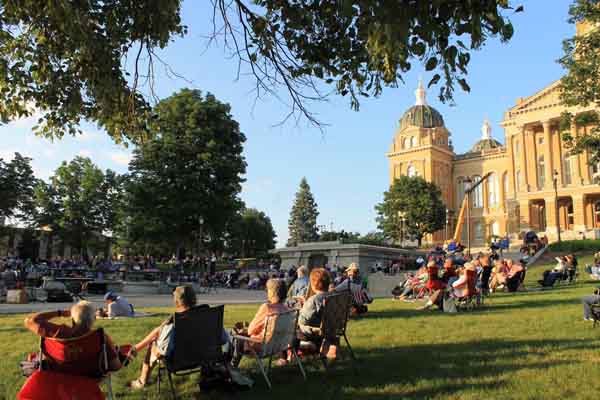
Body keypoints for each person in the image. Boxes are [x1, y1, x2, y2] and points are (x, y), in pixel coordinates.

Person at [127, 285, 200, 389]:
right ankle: (135, 349)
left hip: (180, 360)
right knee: (160, 330)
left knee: (154, 343)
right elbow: (223, 339)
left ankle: (142, 381)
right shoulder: (207, 315)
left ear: (177, 301)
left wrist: (155, 346)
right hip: (204, 356)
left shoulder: (175, 323)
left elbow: (163, 351)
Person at [23, 300, 121, 369]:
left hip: (59, 374)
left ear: (72, 319)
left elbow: (31, 321)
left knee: (32, 358)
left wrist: (60, 313)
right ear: (94, 319)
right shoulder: (100, 338)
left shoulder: (59, 333)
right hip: (90, 378)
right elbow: (115, 366)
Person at [228, 279, 290, 367]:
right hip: (278, 346)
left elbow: (250, 330)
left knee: (234, 336)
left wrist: (244, 330)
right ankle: (229, 365)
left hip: (261, 347)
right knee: (238, 334)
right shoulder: (286, 310)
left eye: (267, 289)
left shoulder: (267, 308)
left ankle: (231, 366)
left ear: (272, 292)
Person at [298, 268, 337, 359]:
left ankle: (306, 347)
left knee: (292, 329)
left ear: (313, 284)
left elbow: (302, 320)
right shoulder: (333, 297)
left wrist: (303, 308)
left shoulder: (314, 300)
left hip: (314, 333)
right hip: (330, 330)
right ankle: (324, 346)